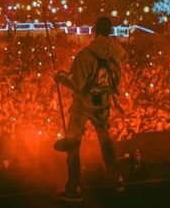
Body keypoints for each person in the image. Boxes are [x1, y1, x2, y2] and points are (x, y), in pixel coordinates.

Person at [53, 16, 128, 203]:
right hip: (103, 103)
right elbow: (116, 76)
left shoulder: (85, 55)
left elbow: (76, 83)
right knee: (105, 139)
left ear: (94, 31)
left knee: (73, 142)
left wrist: (60, 76)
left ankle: (74, 187)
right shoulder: (119, 52)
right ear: (110, 31)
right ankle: (116, 178)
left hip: (83, 105)